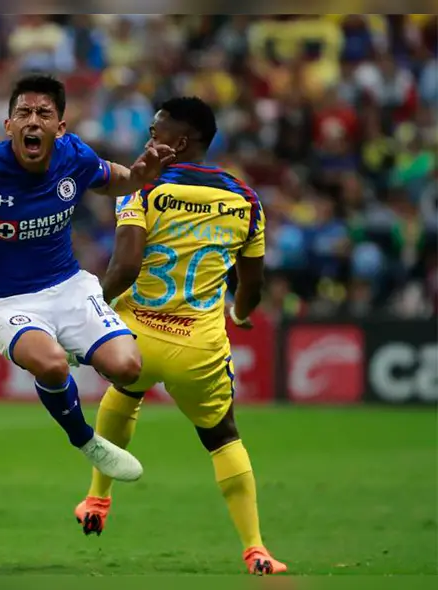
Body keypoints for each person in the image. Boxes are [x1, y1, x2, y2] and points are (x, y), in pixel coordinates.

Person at [0, 73, 175, 491]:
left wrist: (140, 175)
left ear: (60, 127)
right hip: (5, 302)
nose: (33, 121)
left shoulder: (74, 156)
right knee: (53, 363)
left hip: (69, 286)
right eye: (23, 113)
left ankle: (68, 349)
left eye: (43, 113)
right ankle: (85, 439)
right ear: (8, 126)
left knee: (128, 367)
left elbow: (121, 181)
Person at [73, 96, 287, 575]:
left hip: (138, 335)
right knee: (222, 436)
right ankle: (255, 547)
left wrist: (90, 308)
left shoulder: (143, 186)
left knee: (126, 392)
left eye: (156, 131)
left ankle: (96, 499)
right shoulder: (244, 199)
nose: (149, 139)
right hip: (199, 346)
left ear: (181, 140)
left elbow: (126, 265)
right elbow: (251, 284)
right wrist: (242, 311)